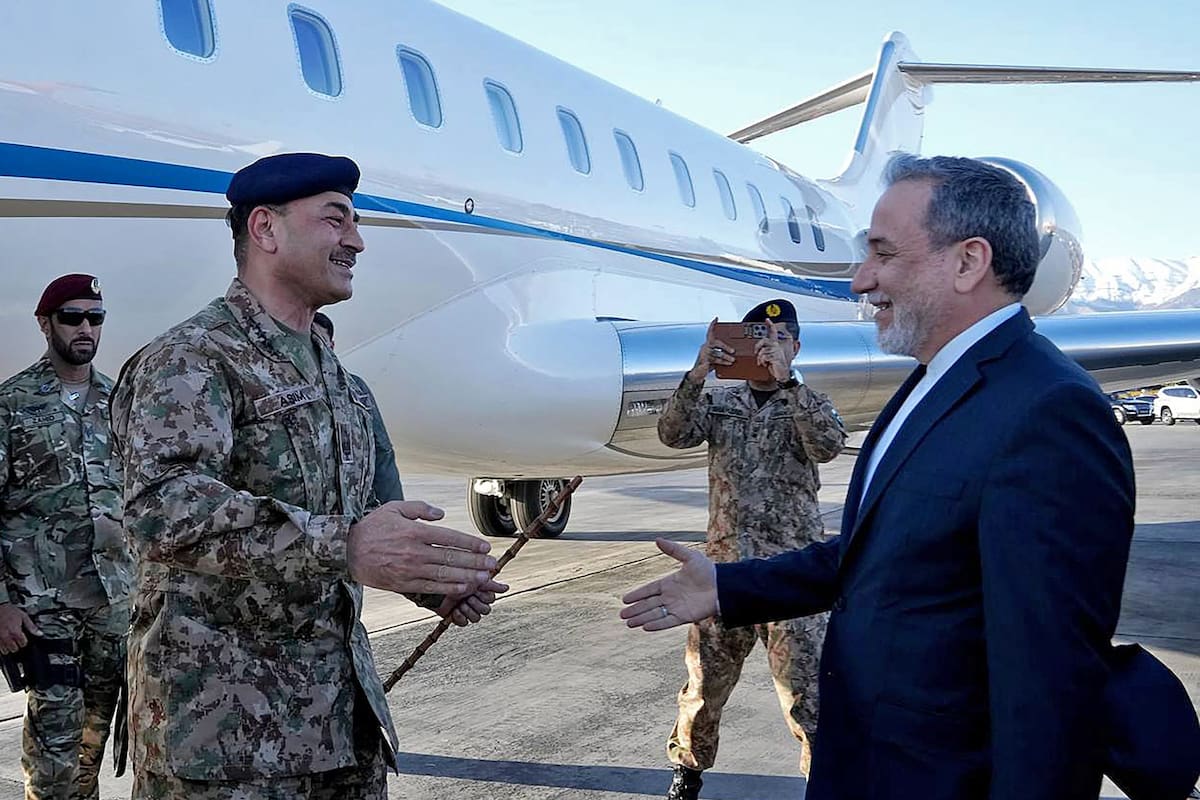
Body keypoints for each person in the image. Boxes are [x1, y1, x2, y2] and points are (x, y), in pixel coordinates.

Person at [621, 154, 1136, 800]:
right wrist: (727, 585)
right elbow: (874, 556)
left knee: (804, 707)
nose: (861, 280)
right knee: (704, 697)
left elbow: (1049, 697)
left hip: (933, 780)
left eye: (884, 255)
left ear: (968, 262)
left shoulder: (1052, 413)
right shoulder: (928, 386)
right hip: (857, 751)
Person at [110, 152, 506, 800]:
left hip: (344, 734)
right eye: (335, 219)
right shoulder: (191, 359)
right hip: (225, 750)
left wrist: (432, 582)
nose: (356, 240)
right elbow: (160, 506)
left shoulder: (346, 387)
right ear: (266, 230)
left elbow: (379, 525)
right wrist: (343, 546)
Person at [656, 299, 846, 799]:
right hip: (723, 575)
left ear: (796, 346)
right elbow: (672, 434)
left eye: (781, 338)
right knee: (702, 690)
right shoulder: (721, 403)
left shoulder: (809, 401)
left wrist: (789, 383)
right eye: (758, 337)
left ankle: (824, 785)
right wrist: (698, 374)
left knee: (810, 695)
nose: (768, 347)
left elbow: (827, 445)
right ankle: (687, 774)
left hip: (792, 579)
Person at [0, 274, 134, 799]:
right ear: (45, 322)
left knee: (90, 747)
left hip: (113, 603)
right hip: (44, 606)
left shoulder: (120, 401)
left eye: (94, 318)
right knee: (55, 753)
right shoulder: (12, 405)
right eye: (72, 317)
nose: (85, 328)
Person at [312, 312, 404, 504]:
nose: (314, 349)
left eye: (319, 341)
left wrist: (395, 510)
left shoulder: (355, 387)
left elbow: (381, 452)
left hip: (355, 514)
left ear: (332, 346)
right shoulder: (274, 386)